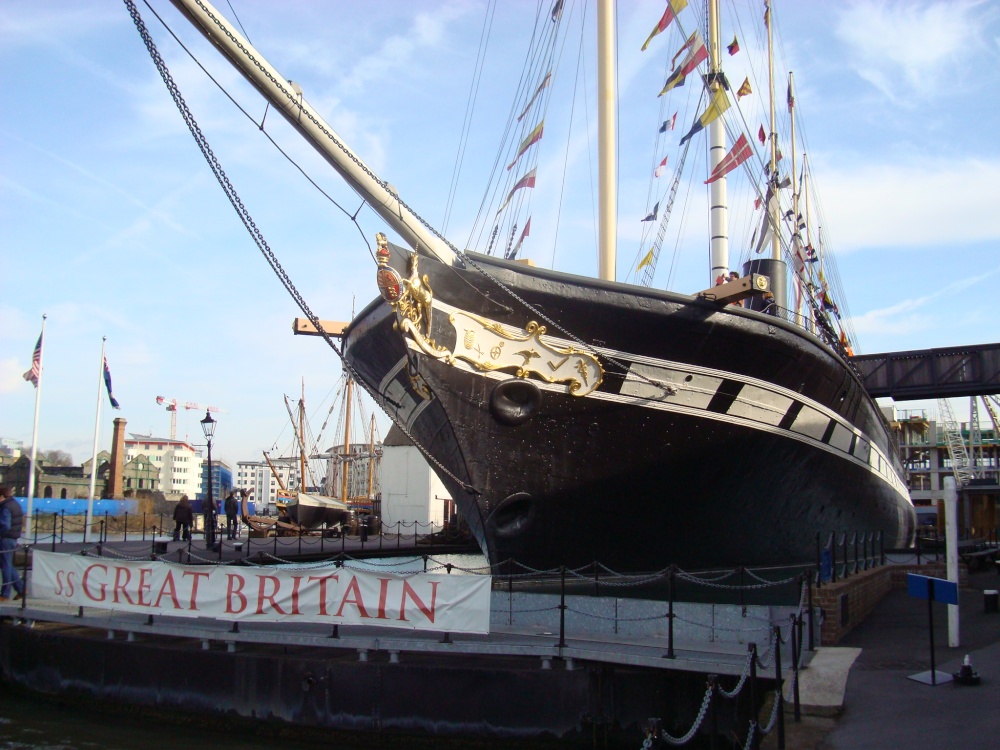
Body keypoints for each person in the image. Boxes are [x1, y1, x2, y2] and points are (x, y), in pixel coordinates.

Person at [0, 486, 25, 601]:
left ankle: (5, 594)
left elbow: (5, 525)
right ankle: (21, 589)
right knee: (7, 563)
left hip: (5, 538)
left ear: (2, 496)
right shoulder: (15, 503)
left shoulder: (5, 507)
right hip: (13, 537)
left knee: (5, 565)